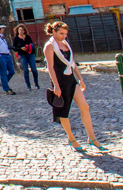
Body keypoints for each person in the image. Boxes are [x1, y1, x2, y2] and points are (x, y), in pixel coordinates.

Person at [42, 21, 104, 152]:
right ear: (54, 31)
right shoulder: (49, 46)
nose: (64, 36)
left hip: (71, 79)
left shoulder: (65, 44)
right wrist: (56, 86)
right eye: (61, 33)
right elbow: (50, 68)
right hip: (60, 81)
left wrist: (80, 79)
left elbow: (72, 62)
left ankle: (92, 138)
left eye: (65, 34)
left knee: (85, 106)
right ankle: (71, 138)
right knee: (64, 111)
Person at [12, 25, 39, 91]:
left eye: (22, 30)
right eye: (19, 30)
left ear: (24, 31)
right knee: (26, 70)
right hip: (22, 56)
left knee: (34, 69)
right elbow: (14, 48)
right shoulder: (16, 39)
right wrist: (21, 48)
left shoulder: (28, 37)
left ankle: (36, 83)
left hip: (30, 55)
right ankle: (28, 85)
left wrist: (29, 47)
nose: (20, 31)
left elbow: (32, 45)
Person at [0, 24, 15, 95]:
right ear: (0, 28)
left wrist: (9, 53)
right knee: (3, 73)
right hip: (1, 56)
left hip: (7, 55)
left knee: (12, 71)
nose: (4, 30)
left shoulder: (1, 36)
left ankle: (4, 83)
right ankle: (7, 89)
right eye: (3, 28)